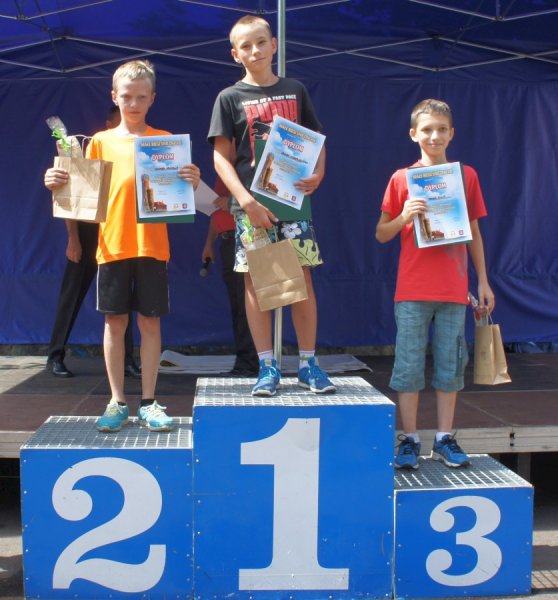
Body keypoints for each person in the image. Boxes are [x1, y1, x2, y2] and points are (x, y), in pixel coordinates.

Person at [45, 60, 200, 432]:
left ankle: (148, 402)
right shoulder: (99, 142)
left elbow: (180, 194)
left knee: (150, 322)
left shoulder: (166, 141)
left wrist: (190, 180)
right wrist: (56, 182)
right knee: (114, 323)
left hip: (152, 247)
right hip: (112, 245)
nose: (133, 104)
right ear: (114, 96)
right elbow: (80, 193)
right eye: (127, 97)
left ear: (152, 99)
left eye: (141, 97)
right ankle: (116, 401)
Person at [208, 15, 335, 397]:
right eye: (246, 46)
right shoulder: (229, 98)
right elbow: (220, 158)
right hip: (252, 207)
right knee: (258, 284)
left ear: (274, 45)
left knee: (302, 279)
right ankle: (267, 366)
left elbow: (316, 138)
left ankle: (309, 364)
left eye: (261, 42)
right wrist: (245, 201)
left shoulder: (295, 90)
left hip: (292, 203)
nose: (255, 51)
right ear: (235, 54)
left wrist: (319, 172)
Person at [376, 98, 495, 470]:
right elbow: (381, 233)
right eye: (427, 130)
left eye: (442, 129)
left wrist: (483, 281)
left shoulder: (466, 176)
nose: (434, 136)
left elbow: (474, 231)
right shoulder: (401, 179)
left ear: (452, 134)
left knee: (451, 366)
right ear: (413, 134)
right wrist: (403, 217)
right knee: (408, 366)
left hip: (454, 291)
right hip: (412, 290)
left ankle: (444, 438)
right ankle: (409, 439)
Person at [45, 106, 140, 379]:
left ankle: (126, 360)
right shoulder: (90, 152)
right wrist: (73, 239)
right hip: (88, 236)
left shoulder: (134, 155)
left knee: (121, 300)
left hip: (118, 235)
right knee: (71, 295)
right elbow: (71, 198)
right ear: (108, 123)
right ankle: (55, 356)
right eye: (119, 121)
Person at [201, 177, 259, 376]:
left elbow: (261, 200)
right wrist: (209, 243)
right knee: (237, 304)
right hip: (226, 240)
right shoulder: (222, 174)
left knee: (247, 304)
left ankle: (250, 362)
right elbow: (216, 210)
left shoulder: (246, 168)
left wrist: (232, 203)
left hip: (245, 237)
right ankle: (245, 360)